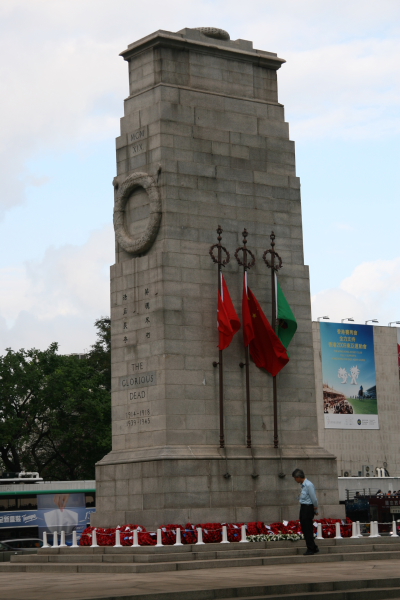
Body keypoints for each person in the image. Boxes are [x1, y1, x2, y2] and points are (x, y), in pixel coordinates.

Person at [292, 468, 319, 555]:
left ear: (299, 477)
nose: (295, 480)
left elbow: (314, 499)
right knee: (306, 528)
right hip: (304, 508)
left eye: (295, 478)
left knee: (307, 529)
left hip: (308, 508)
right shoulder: (304, 485)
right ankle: (313, 547)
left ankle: (311, 548)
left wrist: (316, 509)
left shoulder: (308, 485)